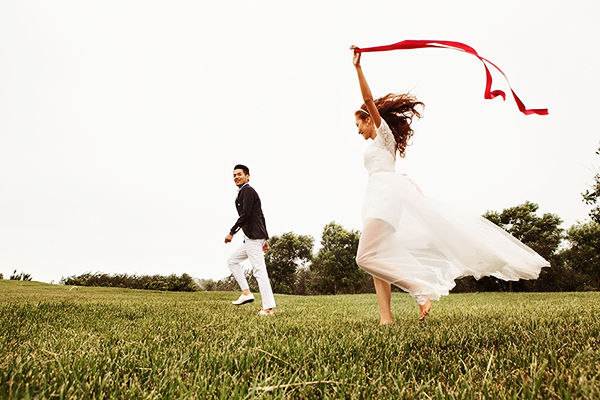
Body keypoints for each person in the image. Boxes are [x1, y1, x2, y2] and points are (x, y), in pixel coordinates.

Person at [350, 46, 549, 325]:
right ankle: (386, 319)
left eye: (358, 125)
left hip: (384, 196)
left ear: (369, 119)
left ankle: (419, 288)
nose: (358, 131)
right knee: (376, 259)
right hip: (379, 196)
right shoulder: (379, 144)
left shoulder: (383, 135)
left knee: (364, 257)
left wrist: (358, 68)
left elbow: (368, 99)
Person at [225, 164, 276, 316]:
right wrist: (265, 239)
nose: (236, 177)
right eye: (234, 175)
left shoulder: (247, 191)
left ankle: (268, 308)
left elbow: (246, 215)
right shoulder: (242, 193)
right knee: (232, 261)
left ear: (247, 176)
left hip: (254, 238)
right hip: (251, 237)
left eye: (239, 174)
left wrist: (231, 232)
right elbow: (259, 215)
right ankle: (246, 293)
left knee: (259, 270)